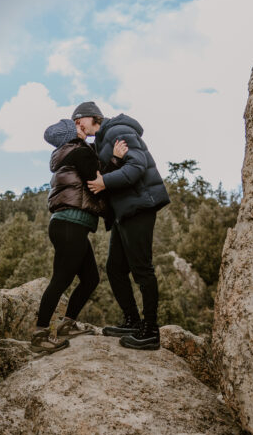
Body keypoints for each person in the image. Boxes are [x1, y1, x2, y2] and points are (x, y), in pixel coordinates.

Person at [31, 111, 127, 353]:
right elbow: (98, 183)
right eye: (76, 127)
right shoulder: (80, 152)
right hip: (70, 225)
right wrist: (115, 160)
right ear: (71, 134)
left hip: (69, 224)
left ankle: (67, 325)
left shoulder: (66, 154)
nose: (81, 128)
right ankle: (40, 335)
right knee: (60, 280)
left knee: (90, 278)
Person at [85, 106, 170, 350]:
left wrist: (104, 182)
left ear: (92, 117)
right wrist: (112, 161)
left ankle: (150, 331)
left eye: (80, 120)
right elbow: (116, 168)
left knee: (142, 269)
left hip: (139, 205)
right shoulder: (104, 140)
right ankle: (132, 320)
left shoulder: (119, 130)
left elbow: (137, 166)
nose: (79, 125)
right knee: (115, 268)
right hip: (125, 210)